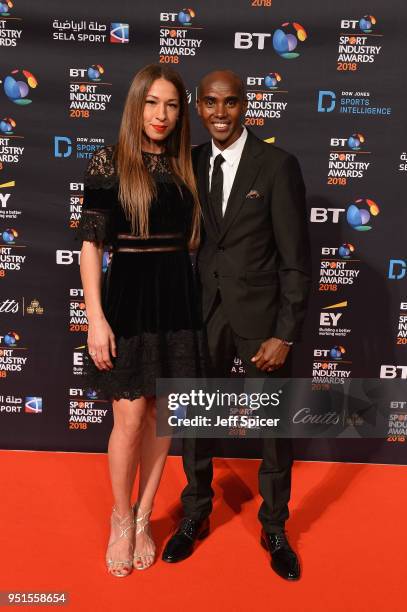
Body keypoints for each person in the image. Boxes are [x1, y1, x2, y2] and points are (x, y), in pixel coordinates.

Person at [162, 70, 311, 580]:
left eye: (229, 103)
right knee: (197, 421)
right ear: (198, 109)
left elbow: (295, 259)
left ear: (245, 106)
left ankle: (275, 528)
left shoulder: (278, 166)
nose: (220, 113)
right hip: (201, 313)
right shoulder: (190, 163)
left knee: (271, 428)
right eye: (209, 103)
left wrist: (284, 332)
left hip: (261, 318)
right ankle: (195, 514)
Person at [78, 64, 206, 577]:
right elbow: (91, 246)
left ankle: (147, 514)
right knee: (128, 418)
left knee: (160, 416)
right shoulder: (111, 161)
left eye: (172, 105)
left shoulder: (187, 166)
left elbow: (194, 239)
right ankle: (120, 518)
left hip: (177, 299)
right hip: (128, 299)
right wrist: (95, 318)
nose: (162, 114)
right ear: (137, 105)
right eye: (153, 103)